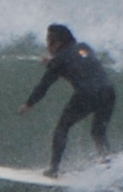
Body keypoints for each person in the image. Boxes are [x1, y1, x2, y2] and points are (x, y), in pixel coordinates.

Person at [18, 23, 115, 177]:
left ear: (57, 43)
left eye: (48, 42)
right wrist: (54, 60)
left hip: (87, 94)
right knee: (98, 132)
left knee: (62, 128)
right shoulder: (84, 47)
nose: (47, 46)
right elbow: (76, 58)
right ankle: (109, 165)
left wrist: (28, 104)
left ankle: (53, 169)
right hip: (108, 92)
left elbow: (44, 86)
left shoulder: (58, 61)